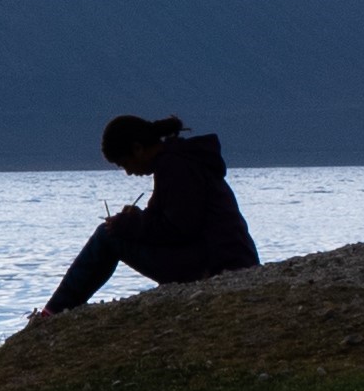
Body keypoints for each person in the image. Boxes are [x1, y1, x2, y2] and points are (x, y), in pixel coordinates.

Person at [45, 113, 257, 313]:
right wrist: (136, 217)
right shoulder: (180, 160)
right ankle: (58, 308)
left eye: (125, 163)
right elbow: (177, 218)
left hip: (216, 264)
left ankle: (55, 310)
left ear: (138, 149)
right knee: (110, 233)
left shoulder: (175, 166)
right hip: (224, 256)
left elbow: (179, 229)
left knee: (107, 236)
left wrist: (128, 224)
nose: (128, 172)